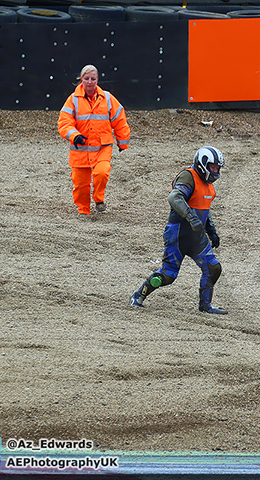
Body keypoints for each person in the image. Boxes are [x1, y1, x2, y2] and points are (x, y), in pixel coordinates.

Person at [130, 146, 227, 315]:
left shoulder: (208, 186)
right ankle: (139, 294)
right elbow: (174, 197)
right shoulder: (189, 176)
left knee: (213, 268)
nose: (215, 171)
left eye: (217, 168)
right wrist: (191, 218)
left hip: (197, 237)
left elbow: (205, 209)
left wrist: (211, 231)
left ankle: (205, 306)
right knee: (168, 276)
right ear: (203, 164)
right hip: (178, 234)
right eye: (213, 167)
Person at [58, 64, 130, 215]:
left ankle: (99, 199)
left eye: (93, 79)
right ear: (80, 80)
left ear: (97, 80)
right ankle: (83, 209)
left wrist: (123, 141)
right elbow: (64, 122)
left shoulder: (108, 98)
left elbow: (119, 120)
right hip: (80, 148)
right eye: (86, 78)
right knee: (80, 184)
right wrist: (74, 135)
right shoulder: (73, 100)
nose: (90, 82)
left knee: (102, 173)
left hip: (102, 146)